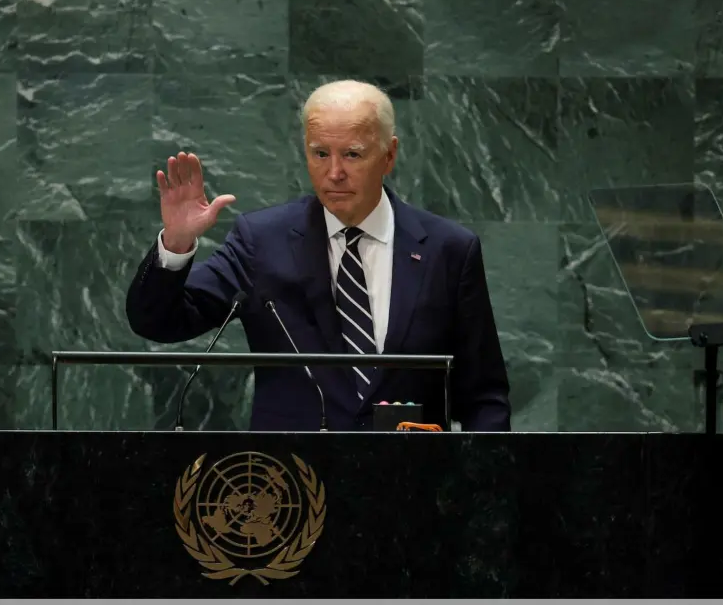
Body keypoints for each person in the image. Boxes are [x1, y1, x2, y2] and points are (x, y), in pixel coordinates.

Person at [125, 79, 511, 432]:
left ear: (389, 155)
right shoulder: (262, 241)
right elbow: (158, 322)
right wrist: (175, 245)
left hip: (411, 487)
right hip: (292, 489)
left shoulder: (448, 250)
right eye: (320, 153)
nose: (334, 172)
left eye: (353, 155)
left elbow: (483, 397)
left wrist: (478, 490)